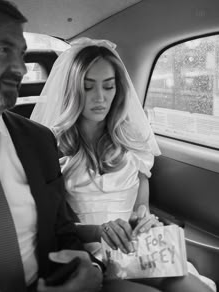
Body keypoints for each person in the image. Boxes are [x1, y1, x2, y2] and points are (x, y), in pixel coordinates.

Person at [31, 37, 216, 292]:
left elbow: (141, 207)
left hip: (137, 249)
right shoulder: (51, 148)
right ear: (73, 89)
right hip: (89, 257)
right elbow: (52, 228)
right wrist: (99, 231)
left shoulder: (133, 143)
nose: (100, 97)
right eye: (88, 87)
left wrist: (144, 221)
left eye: (108, 86)